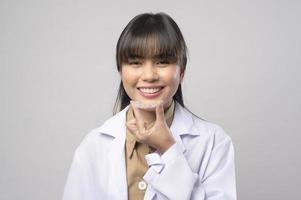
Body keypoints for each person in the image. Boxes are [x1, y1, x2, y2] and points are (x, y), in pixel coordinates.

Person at [63, 12, 237, 200]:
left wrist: (169, 149)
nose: (149, 75)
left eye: (162, 62)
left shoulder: (214, 142)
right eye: (135, 62)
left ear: (182, 71)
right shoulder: (94, 145)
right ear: (120, 70)